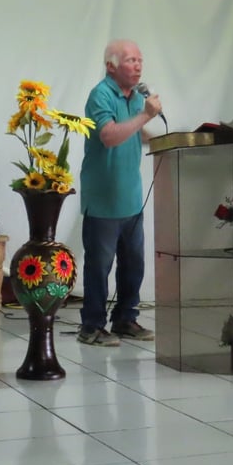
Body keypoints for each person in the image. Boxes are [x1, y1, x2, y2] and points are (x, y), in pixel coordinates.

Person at [77, 39, 163, 346]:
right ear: (111, 66)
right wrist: (146, 116)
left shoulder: (136, 97)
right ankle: (91, 326)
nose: (138, 65)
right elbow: (110, 135)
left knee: (134, 263)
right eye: (130, 60)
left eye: (140, 60)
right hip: (103, 199)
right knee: (99, 266)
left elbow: (133, 131)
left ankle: (126, 319)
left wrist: (162, 141)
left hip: (130, 197)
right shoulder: (100, 95)